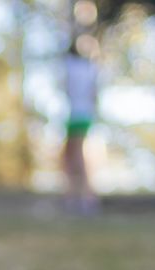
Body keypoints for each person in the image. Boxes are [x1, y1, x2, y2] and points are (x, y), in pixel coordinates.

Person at [63, 36, 100, 215]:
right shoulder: (90, 68)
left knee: (77, 156)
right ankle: (75, 196)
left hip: (78, 114)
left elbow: (66, 89)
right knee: (70, 156)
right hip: (82, 114)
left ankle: (85, 198)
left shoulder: (73, 67)